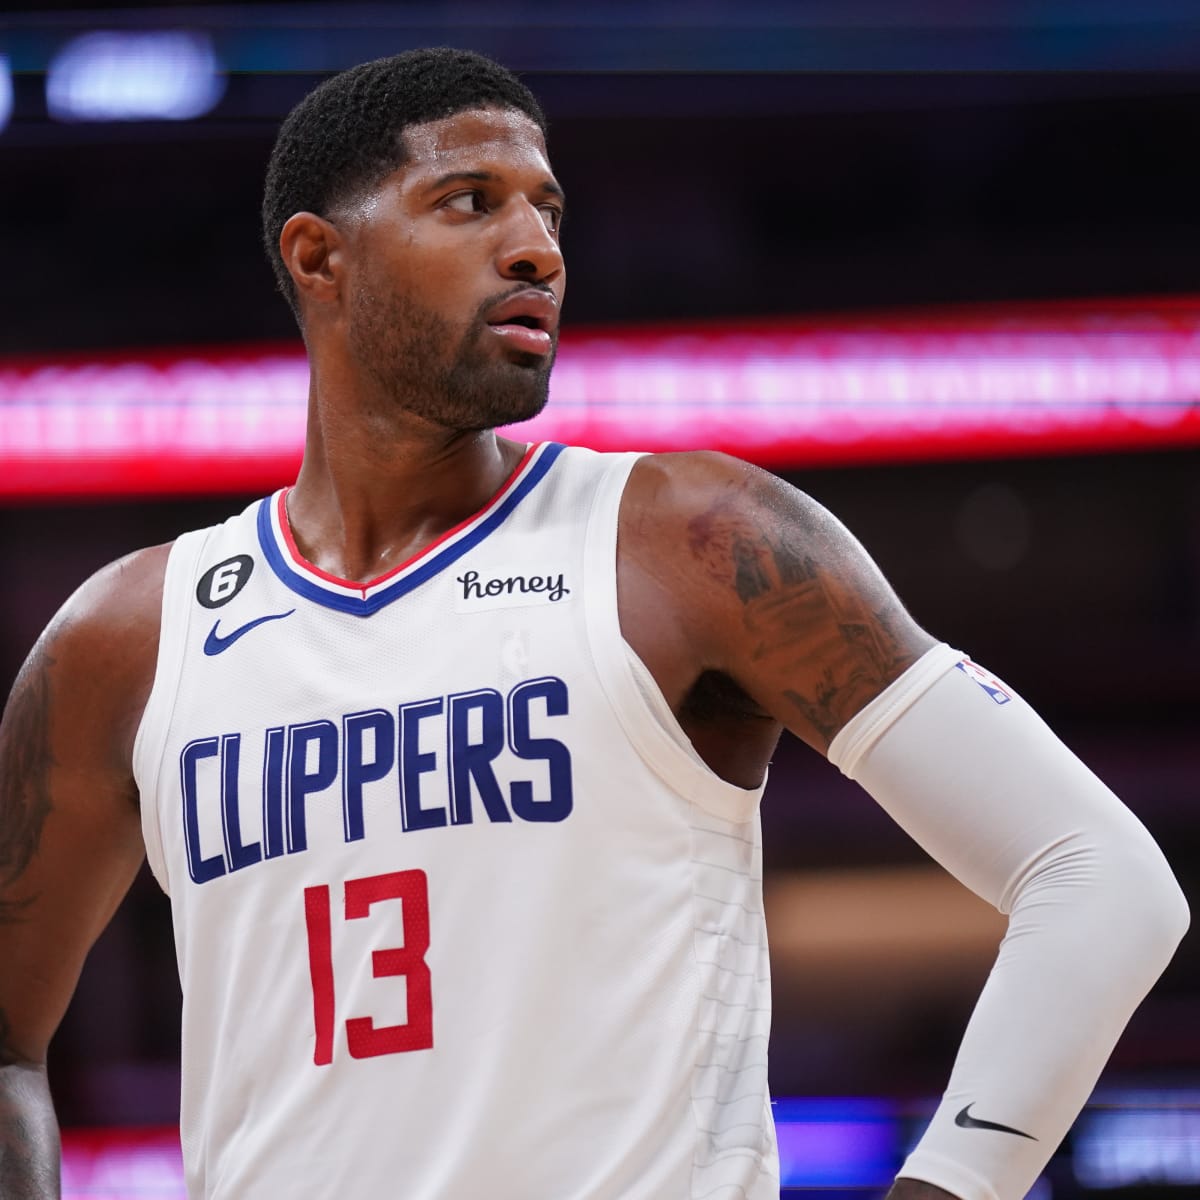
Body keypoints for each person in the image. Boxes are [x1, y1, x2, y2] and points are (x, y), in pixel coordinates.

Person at [0, 46, 1187, 1200]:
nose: (537, 249)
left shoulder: (689, 543)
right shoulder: (131, 639)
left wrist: (954, 1184)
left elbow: (1104, 877)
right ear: (321, 258)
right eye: (469, 201)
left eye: (549, 210)